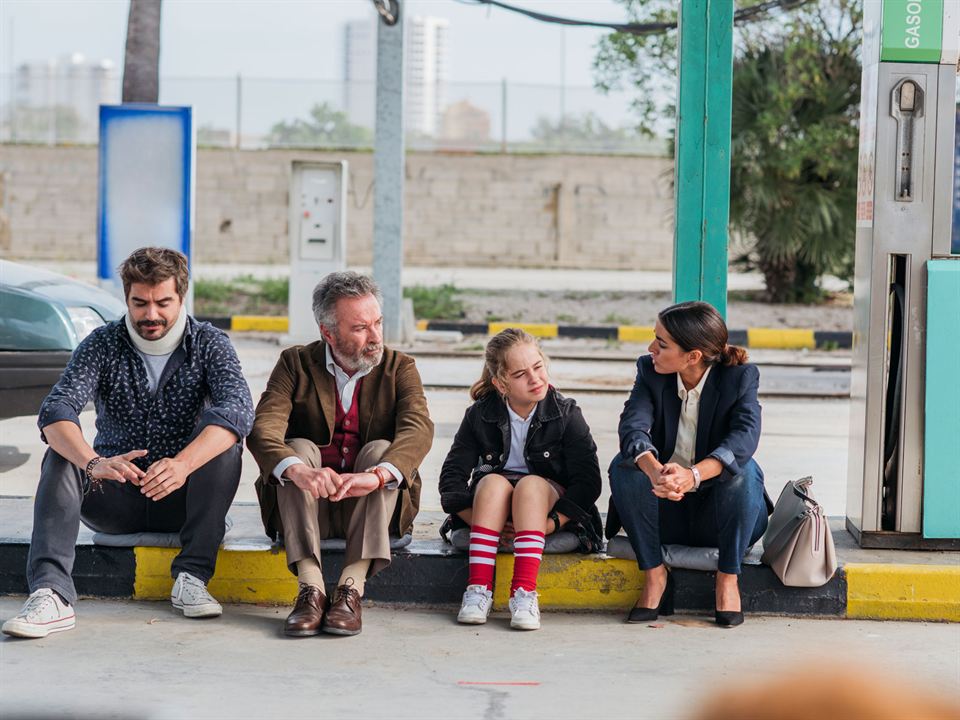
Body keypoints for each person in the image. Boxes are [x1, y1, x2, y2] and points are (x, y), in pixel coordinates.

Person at [2, 247, 254, 639]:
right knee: (61, 452)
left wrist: (183, 464)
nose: (151, 314)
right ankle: (51, 594)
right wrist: (91, 462)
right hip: (113, 499)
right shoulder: (102, 343)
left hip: (183, 500)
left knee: (225, 441)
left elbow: (239, 410)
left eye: (162, 303)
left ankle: (191, 577)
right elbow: (56, 410)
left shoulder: (209, 344)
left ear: (181, 297)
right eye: (140, 303)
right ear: (127, 298)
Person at [247, 271, 433, 638]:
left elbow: (418, 429)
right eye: (361, 328)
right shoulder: (295, 364)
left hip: (373, 510)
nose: (376, 336)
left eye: (378, 322)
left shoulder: (400, 368)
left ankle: (351, 589)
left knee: (382, 451)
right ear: (328, 333)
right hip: (306, 506)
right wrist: (298, 471)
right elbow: (263, 428)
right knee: (295, 450)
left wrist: (377, 475)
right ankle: (311, 588)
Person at [607, 301, 770, 628]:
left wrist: (692, 476)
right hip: (665, 509)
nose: (651, 348)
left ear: (693, 356)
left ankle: (727, 579)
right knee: (624, 465)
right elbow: (633, 426)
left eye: (662, 344)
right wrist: (655, 471)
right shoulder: (650, 371)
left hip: (721, 516)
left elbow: (743, 438)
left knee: (746, 470)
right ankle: (654, 576)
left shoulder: (740, 378)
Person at [439, 328, 602, 630]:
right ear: (501, 384)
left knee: (528, 485)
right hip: (491, 510)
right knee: (491, 482)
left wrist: (550, 524)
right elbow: (451, 480)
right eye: (521, 374)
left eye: (538, 367)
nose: (535, 378)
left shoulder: (566, 414)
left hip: (545, 507)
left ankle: (524, 592)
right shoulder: (479, 415)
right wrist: (480, 521)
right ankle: (478, 590)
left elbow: (588, 481)